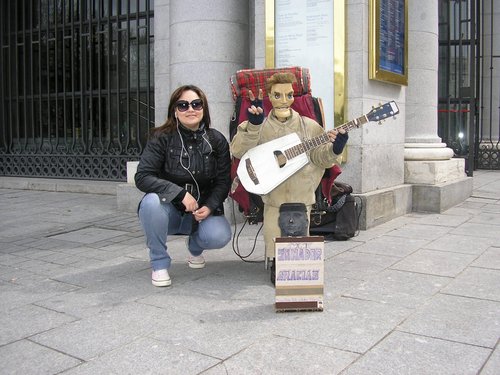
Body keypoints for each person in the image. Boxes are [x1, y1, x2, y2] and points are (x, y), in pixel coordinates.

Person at [230, 72, 348, 278]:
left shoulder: (309, 126)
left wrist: (335, 149)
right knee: (273, 233)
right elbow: (238, 151)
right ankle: (276, 261)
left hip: (301, 195)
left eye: (289, 95)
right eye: (277, 95)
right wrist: (254, 126)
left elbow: (321, 158)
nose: (284, 101)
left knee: (300, 236)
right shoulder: (259, 125)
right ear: (268, 96)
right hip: (273, 197)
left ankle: (299, 268)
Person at [135, 85, 232, 287]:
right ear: (174, 111)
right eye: (183, 105)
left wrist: (211, 206)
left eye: (196, 104)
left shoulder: (216, 140)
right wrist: (179, 194)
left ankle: (194, 246)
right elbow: (143, 176)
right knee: (151, 202)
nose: (191, 109)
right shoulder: (161, 138)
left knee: (220, 236)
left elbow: (223, 181)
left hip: (199, 213)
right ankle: (159, 263)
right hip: (168, 210)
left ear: (203, 109)